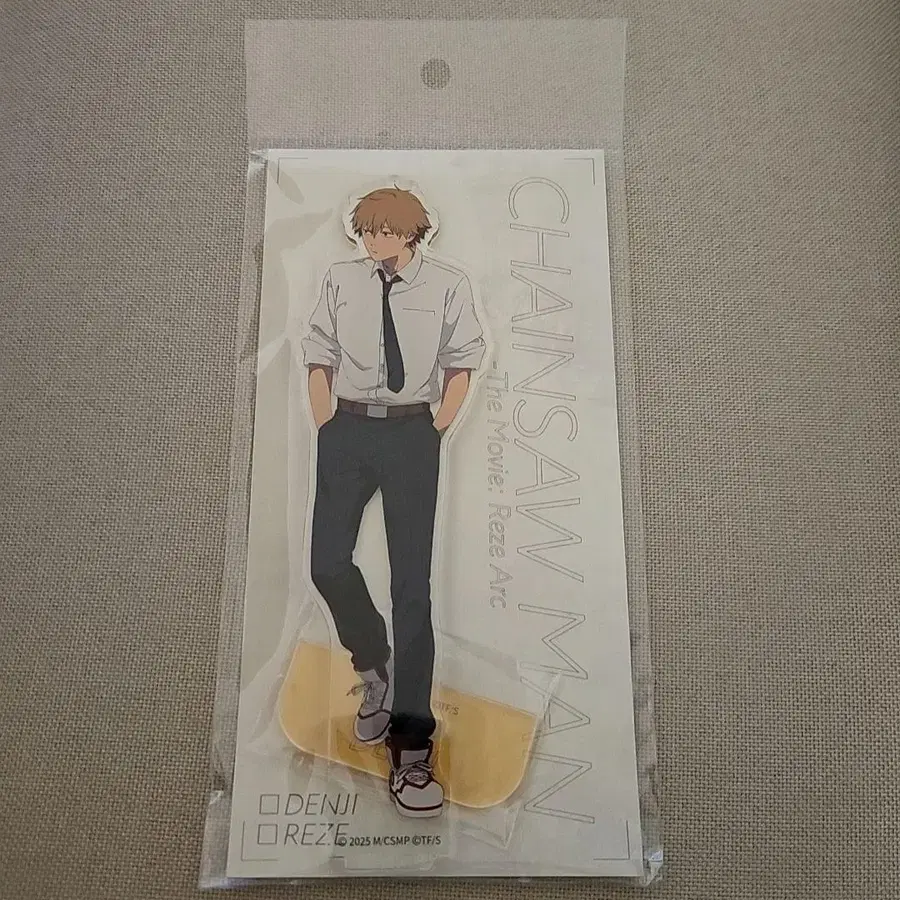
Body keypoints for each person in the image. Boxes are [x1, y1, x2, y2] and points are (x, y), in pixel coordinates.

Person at [302, 187, 485, 817]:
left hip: (412, 433)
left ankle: (412, 749)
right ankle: (373, 663)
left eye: (383, 233)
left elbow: (462, 363)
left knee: (412, 587)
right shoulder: (340, 279)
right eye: (365, 233)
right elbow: (318, 353)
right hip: (348, 429)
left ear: (411, 233)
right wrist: (326, 423)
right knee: (327, 562)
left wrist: (436, 428)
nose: (373, 244)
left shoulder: (448, 285)